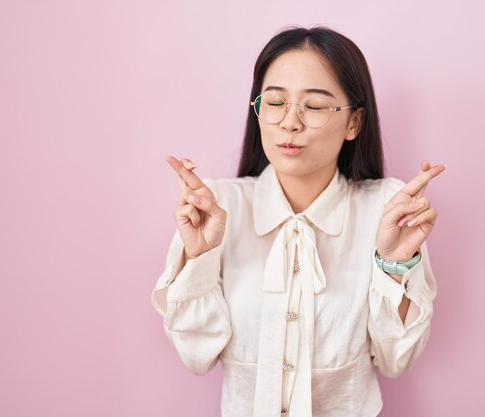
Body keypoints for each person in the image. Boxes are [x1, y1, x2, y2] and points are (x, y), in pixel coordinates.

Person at [152, 25, 446, 417]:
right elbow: (196, 356)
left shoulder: (388, 211)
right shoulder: (217, 209)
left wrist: (393, 264)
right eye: (275, 102)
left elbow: (396, 361)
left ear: (354, 122)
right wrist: (198, 257)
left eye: (314, 105)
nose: (290, 122)